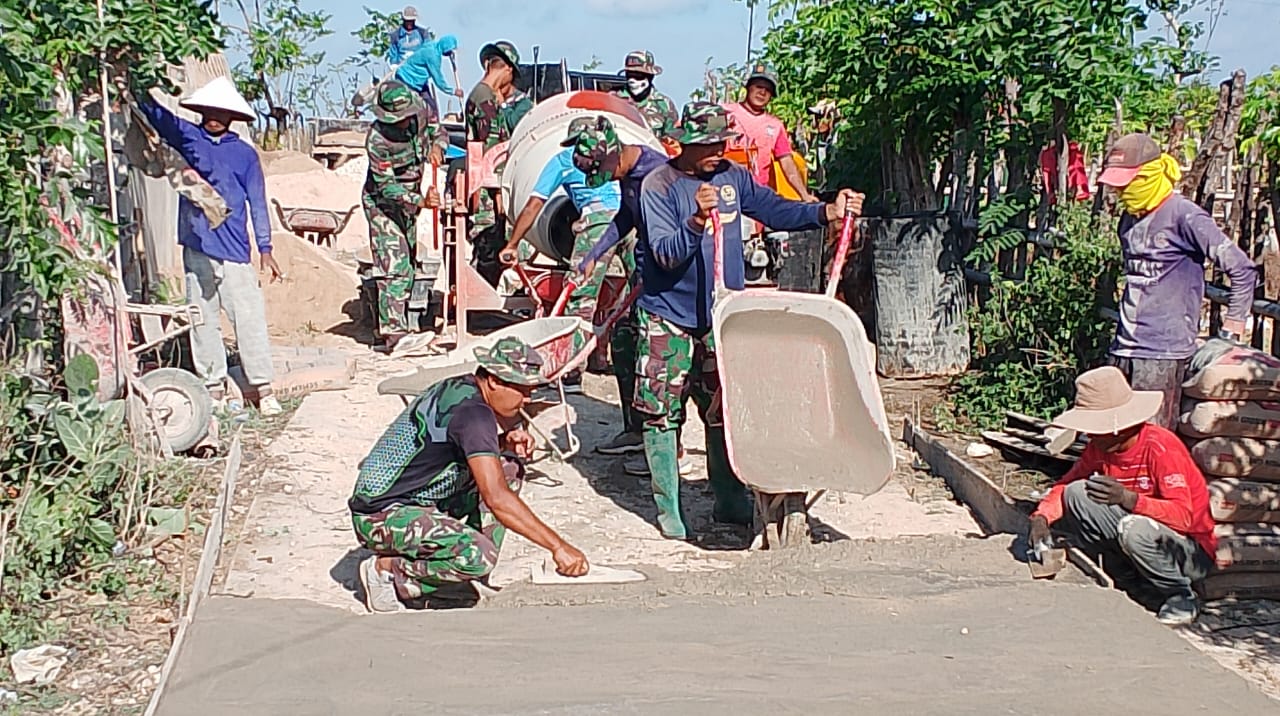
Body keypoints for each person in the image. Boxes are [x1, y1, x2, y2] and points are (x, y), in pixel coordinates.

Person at [633, 102, 862, 540]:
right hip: (669, 316)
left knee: (723, 407)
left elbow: (774, 210)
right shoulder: (658, 186)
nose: (719, 151)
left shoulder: (733, 179)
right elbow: (664, 255)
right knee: (661, 412)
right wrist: (698, 220)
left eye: (723, 142)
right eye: (710, 145)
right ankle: (669, 509)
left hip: (722, 315)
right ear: (684, 144)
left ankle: (729, 499)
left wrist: (822, 212)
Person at [350, 337, 590, 612]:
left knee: (509, 468)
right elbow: (496, 497)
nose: (527, 400)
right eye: (522, 390)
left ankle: (460, 568)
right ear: (494, 381)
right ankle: (389, 572)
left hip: (421, 495)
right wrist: (558, 546)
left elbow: (447, 451)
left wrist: (502, 444)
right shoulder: (473, 414)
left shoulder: (462, 387)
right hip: (380, 514)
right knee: (477, 555)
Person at [136, 76, 283, 417]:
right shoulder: (188, 139)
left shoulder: (244, 154)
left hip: (234, 250)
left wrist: (265, 247)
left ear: (232, 117)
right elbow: (159, 117)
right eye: (208, 111)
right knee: (202, 319)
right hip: (197, 246)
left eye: (221, 112)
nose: (214, 117)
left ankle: (263, 388)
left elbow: (257, 203)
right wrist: (133, 85)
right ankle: (213, 387)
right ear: (200, 112)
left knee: (248, 319)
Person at [1027, 366, 1216, 625]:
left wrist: (1129, 500)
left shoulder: (1161, 448)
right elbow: (1065, 485)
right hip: (1140, 533)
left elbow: (1183, 517)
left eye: (1095, 429)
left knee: (1134, 527)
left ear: (1118, 428)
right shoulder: (1099, 448)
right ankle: (1130, 581)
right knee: (1077, 494)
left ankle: (1180, 595)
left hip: (1189, 551)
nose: (1090, 435)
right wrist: (1041, 517)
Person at [1097, 133, 1258, 429]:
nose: (1121, 192)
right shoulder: (1129, 220)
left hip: (1163, 351)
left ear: (1149, 174)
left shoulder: (1185, 217)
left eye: (1127, 183)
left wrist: (1231, 330)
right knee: (1114, 434)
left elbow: (1242, 269)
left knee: (1151, 438)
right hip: (1124, 346)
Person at [568, 117, 692, 473]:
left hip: (669, 285)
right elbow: (626, 218)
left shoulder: (658, 174)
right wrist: (594, 255)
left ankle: (671, 449)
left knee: (661, 364)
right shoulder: (628, 177)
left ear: (614, 155)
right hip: (644, 277)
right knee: (623, 341)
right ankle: (635, 430)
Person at [362, 81, 448, 352]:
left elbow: (440, 131)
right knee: (394, 264)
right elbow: (386, 186)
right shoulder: (377, 140)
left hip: (411, 202)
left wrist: (438, 147)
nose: (403, 123)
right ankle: (394, 335)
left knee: (409, 263)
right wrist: (419, 201)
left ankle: (404, 323)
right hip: (383, 205)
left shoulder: (422, 111)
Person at [465, 41, 533, 285]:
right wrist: (498, 196)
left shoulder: (496, 99)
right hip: (489, 186)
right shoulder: (484, 99)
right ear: (506, 70)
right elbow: (492, 150)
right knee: (489, 243)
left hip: (498, 185)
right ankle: (483, 299)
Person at [723, 62, 815, 202]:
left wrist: (804, 195)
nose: (762, 92)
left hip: (757, 198)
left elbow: (786, 161)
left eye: (768, 89)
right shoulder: (724, 112)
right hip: (724, 192)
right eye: (758, 86)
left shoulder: (775, 126)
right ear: (748, 87)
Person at [394, 33, 462, 123]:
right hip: (408, 79)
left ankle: (430, 121)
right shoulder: (433, 56)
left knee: (432, 106)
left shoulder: (432, 45)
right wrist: (453, 91)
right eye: (450, 50)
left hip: (419, 82)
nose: (450, 53)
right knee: (416, 108)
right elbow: (438, 80)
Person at [615, 50, 679, 141]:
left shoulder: (665, 105)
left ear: (649, 77)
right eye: (629, 75)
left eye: (638, 75)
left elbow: (672, 139)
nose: (632, 80)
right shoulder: (614, 100)